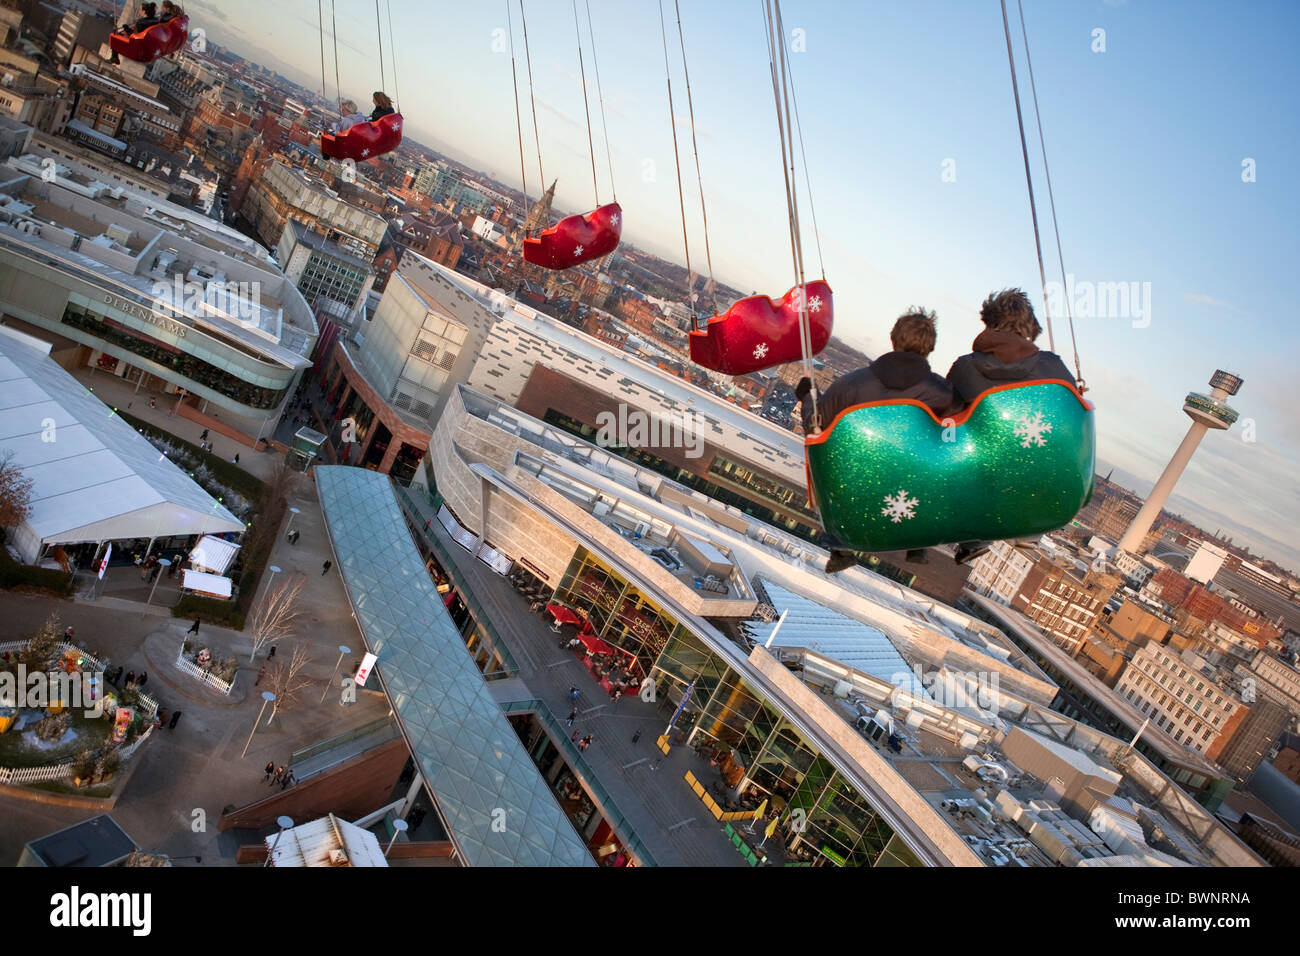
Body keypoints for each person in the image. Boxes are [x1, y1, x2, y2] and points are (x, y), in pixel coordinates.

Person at [797, 308, 959, 573]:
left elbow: (815, 427)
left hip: (857, 486)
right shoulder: (944, 394)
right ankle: (918, 540)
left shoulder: (852, 385)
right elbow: (956, 440)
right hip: (912, 490)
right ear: (929, 348)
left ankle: (840, 546)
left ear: (894, 339)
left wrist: (807, 397)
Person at [944, 289, 1076, 564]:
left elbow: (947, 420)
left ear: (990, 323)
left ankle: (973, 539)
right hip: (1035, 477)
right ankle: (1030, 527)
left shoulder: (965, 367)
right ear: (1029, 329)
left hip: (983, 474)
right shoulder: (1054, 367)